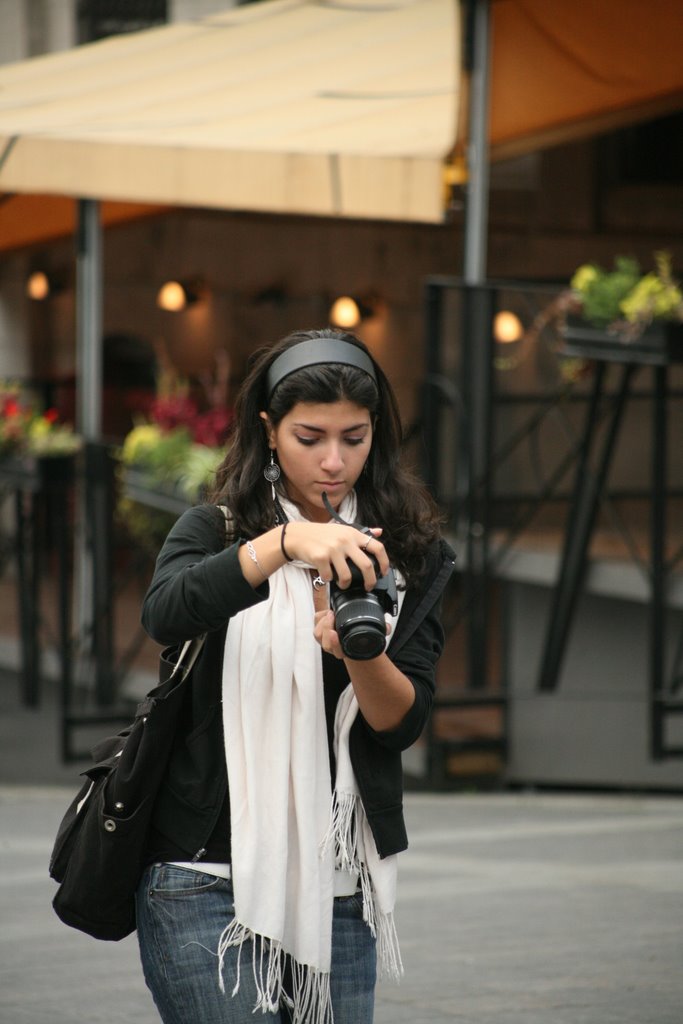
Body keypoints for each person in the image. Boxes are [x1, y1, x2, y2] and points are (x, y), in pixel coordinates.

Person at [135, 328, 456, 1024]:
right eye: (310, 437)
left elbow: (400, 723)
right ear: (269, 432)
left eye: (355, 437)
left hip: (340, 891)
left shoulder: (406, 552)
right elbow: (165, 613)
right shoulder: (216, 532)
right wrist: (282, 545)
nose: (334, 461)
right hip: (199, 879)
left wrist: (358, 652)